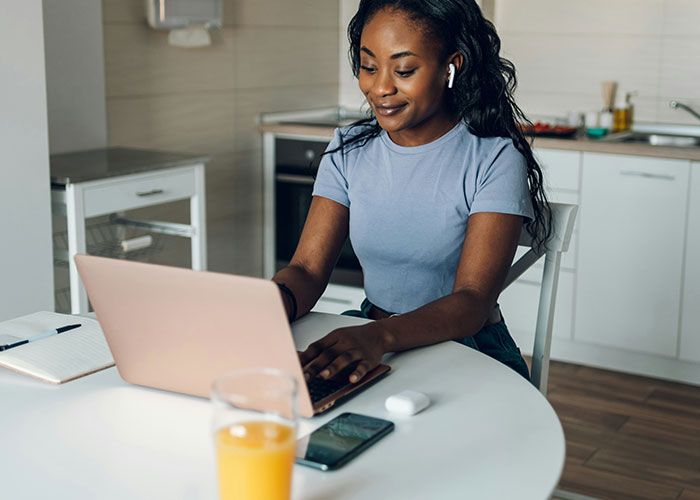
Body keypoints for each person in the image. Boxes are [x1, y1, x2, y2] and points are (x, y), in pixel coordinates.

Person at [272, 0, 551, 385]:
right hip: (372, 335)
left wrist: (380, 336)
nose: (380, 87)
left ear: (451, 66)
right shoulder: (349, 149)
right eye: (369, 67)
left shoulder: (494, 157)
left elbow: (472, 301)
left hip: (465, 346)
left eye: (403, 70)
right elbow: (306, 269)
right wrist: (272, 305)